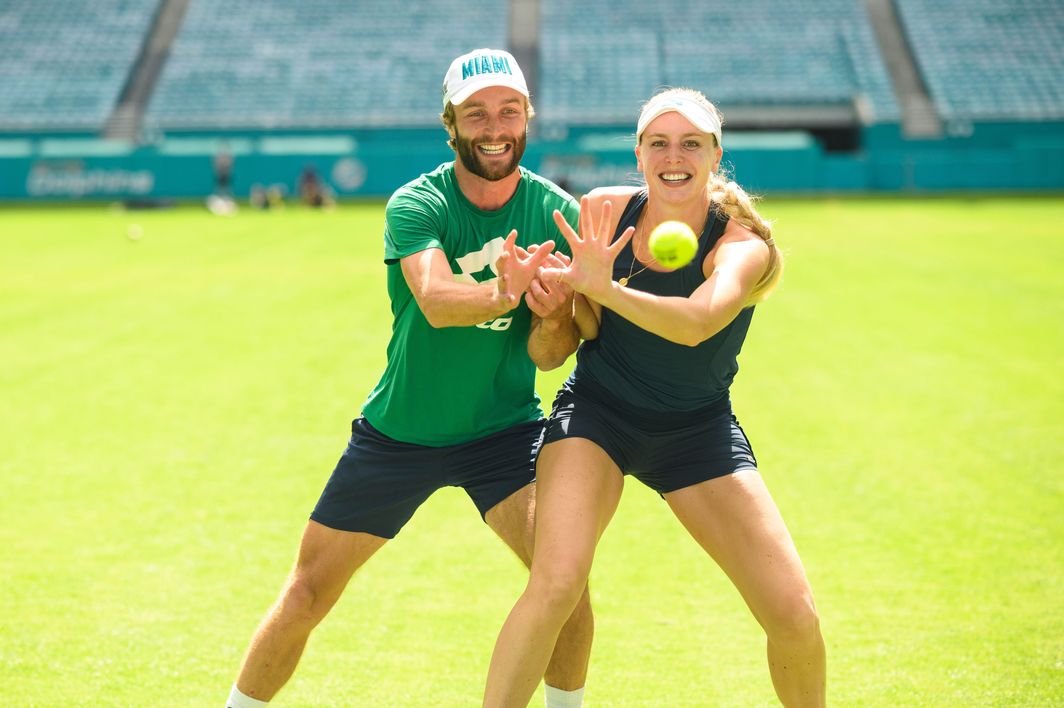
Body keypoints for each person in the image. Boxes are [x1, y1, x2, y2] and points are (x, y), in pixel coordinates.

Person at [226, 48, 594, 708]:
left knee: (565, 587)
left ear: (528, 119)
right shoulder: (417, 202)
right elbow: (436, 298)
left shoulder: (556, 211)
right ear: (450, 123)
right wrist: (505, 294)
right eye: (476, 113)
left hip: (504, 433)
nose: (494, 127)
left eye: (509, 111)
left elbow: (548, 354)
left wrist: (550, 313)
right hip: (400, 432)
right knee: (308, 592)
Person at [482, 88, 826, 707]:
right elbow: (563, 344)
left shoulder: (743, 245)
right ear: (639, 154)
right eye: (659, 143)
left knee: (794, 615)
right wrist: (552, 306)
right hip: (598, 416)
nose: (675, 156)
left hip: (696, 432)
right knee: (556, 583)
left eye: (691, 143)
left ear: (714, 155)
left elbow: (697, 322)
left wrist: (602, 288)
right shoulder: (604, 209)